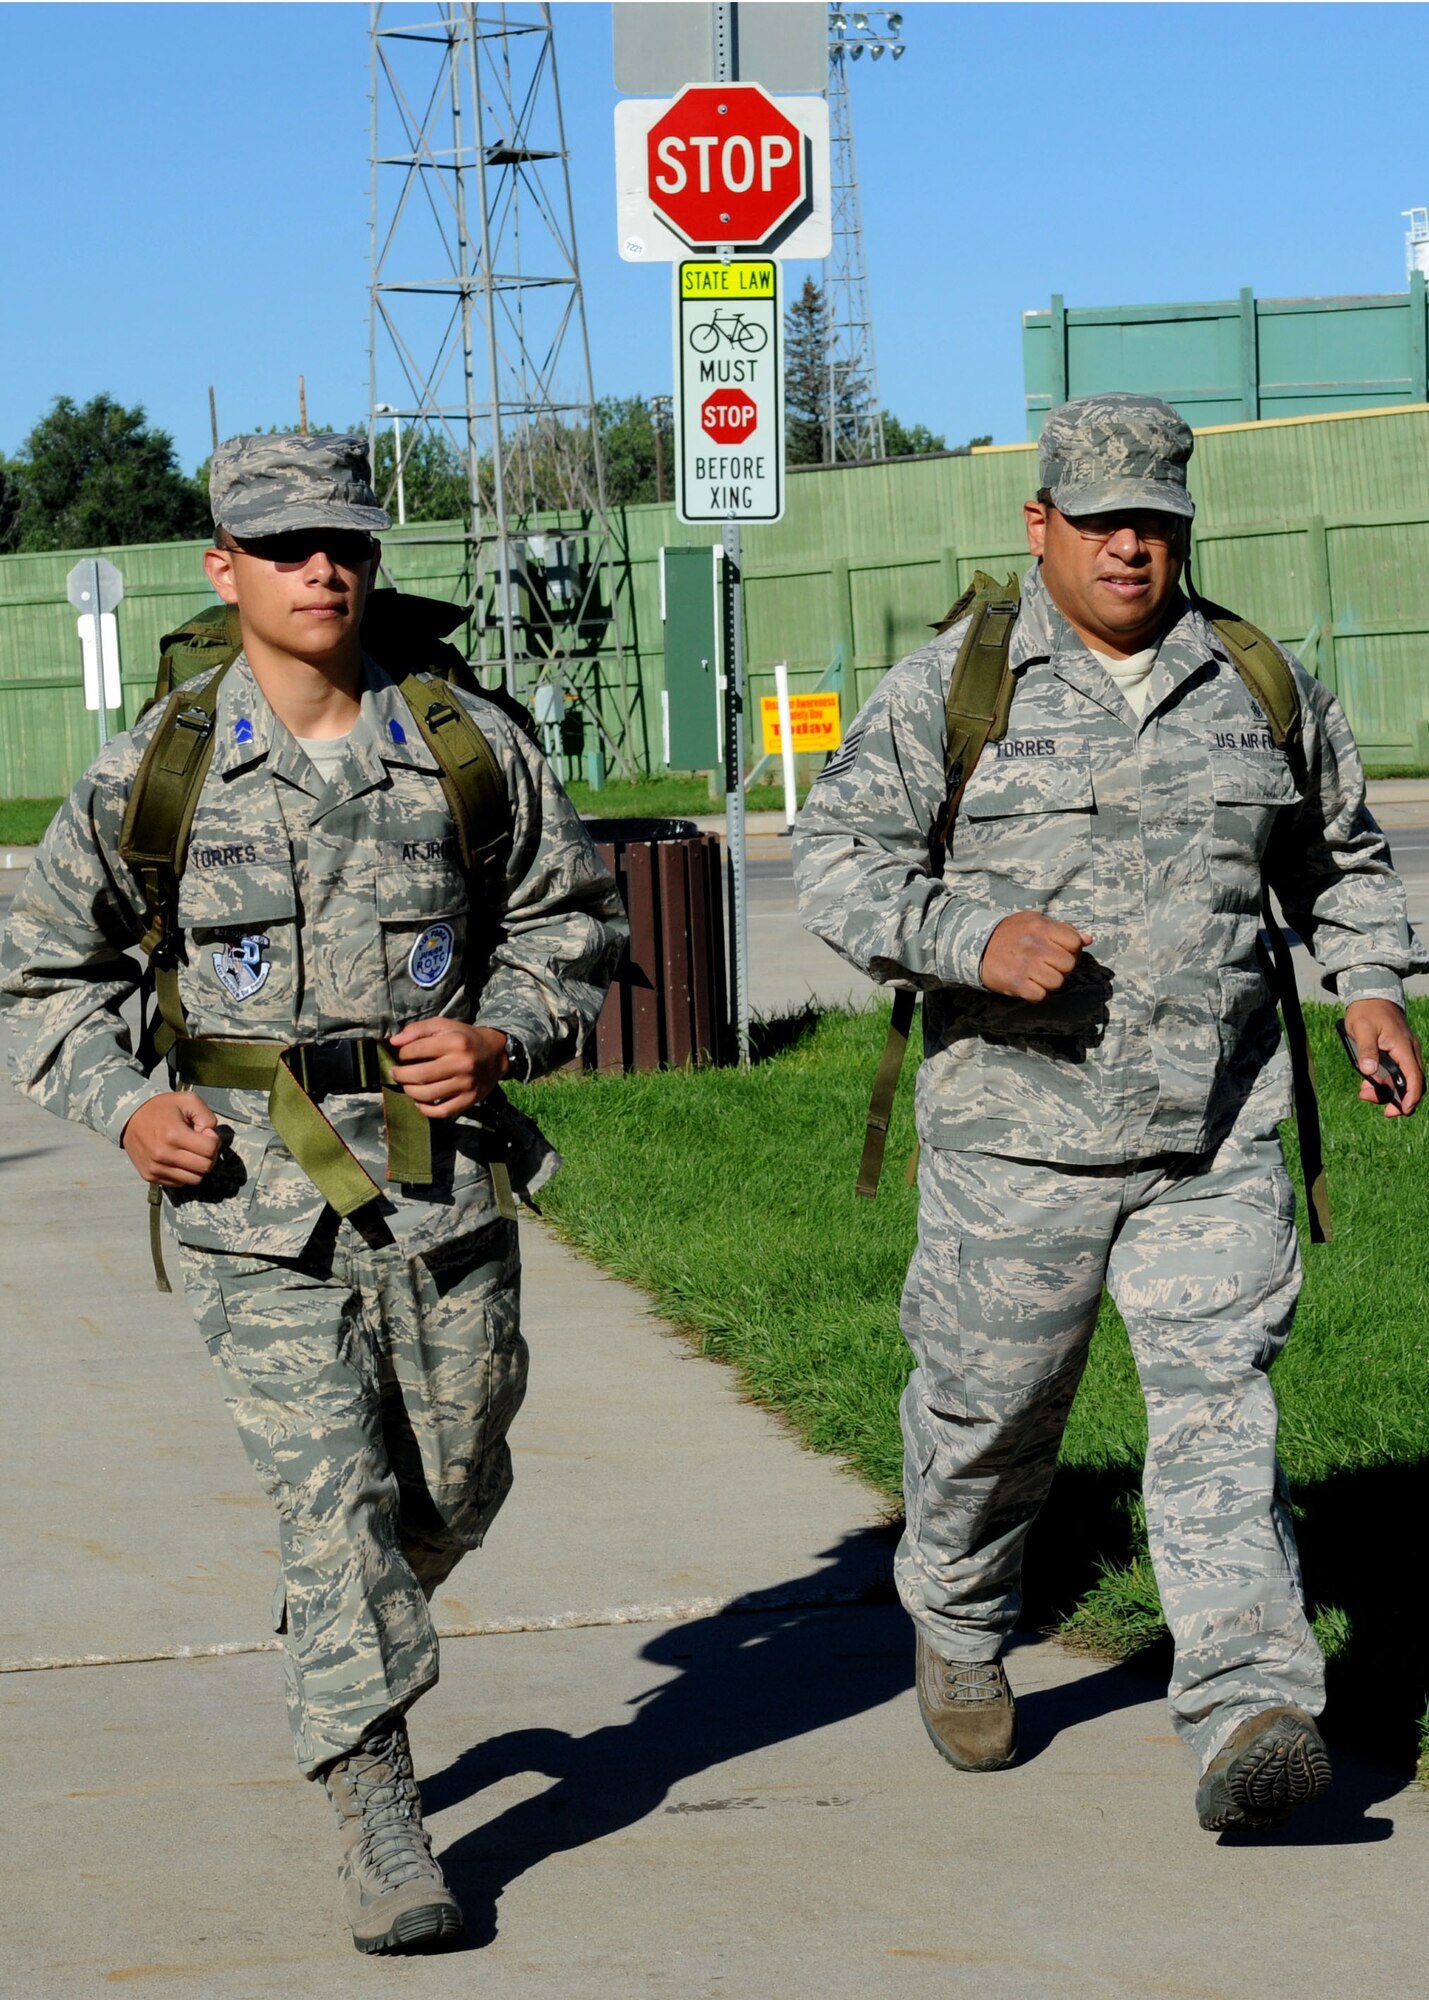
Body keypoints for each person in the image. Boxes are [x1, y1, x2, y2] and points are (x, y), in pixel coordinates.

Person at [0, 433, 627, 1952]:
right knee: (331, 1500)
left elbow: (572, 926)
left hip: (440, 1188)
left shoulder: (466, 746)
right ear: (225, 570)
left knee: (454, 1481)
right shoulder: (157, 769)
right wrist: (129, 1108)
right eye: (283, 547)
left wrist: (503, 1032)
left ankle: (345, 1616)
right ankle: (375, 1799)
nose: (321, 568)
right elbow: (41, 979)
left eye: (342, 541)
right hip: (250, 1206)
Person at [793, 393, 1426, 1833]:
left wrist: (1373, 983)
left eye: (1155, 522)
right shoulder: (958, 684)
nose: (1131, 548)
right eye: (1101, 523)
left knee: (1218, 1412)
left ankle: (1246, 1707)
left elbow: (1339, 859)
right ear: (1041, 528)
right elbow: (834, 859)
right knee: (988, 1419)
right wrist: (969, 938)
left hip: (1216, 1132)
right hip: (1014, 1148)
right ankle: (957, 1620)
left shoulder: (1252, 678)